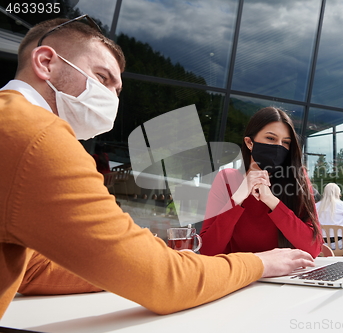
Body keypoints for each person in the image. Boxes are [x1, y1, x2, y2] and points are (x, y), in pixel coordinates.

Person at [0, 17, 314, 318]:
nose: (111, 97)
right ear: (45, 62)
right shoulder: (39, 138)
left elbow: (34, 269)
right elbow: (167, 283)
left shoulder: (14, 127)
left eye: (117, 90)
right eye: (102, 77)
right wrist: (259, 263)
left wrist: (146, 264)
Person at [199, 107, 322, 257]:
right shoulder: (227, 179)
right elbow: (208, 250)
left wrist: (272, 202)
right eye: (271, 138)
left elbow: (314, 248)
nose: (278, 147)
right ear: (250, 143)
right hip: (242, 276)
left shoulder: (297, 178)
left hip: (286, 277)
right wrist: (238, 198)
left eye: (285, 142)